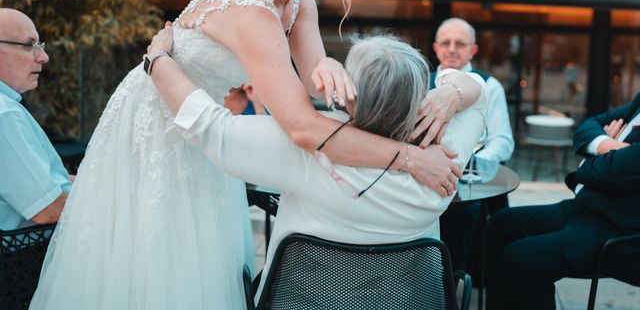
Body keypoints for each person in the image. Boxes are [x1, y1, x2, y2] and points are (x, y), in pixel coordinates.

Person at [31, 0, 461, 310]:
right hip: (159, 120)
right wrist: (408, 158)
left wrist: (347, 74)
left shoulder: (298, 1)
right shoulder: (253, 9)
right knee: (155, 261)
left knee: (202, 260)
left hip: (203, 122)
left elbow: (315, 85)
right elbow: (303, 127)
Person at [147, 29, 488, 302]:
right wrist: (449, 96)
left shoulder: (308, 149)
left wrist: (158, 59)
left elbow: (206, 124)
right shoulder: (446, 154)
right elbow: (479, 92)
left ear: (351, 94)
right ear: (419, 96)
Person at [485, 94, 640, 310]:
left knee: (522, 259)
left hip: (621, 231)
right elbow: (588, 125)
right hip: (591, 209)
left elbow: (607, 171)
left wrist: (594, 155)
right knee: (502, 223)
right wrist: (607, 145)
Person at [433, 17, 514, 272]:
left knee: (466, 212)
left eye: (460, 43)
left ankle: (454, 280)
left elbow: (502, 141)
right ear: (436, 48)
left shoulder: (490, 86)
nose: (452, 49)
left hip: (471, 180)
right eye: (445, 43)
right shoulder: (419, 80)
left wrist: (474, 163)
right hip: (427, 172)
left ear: (473, 50)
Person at [0, 9, 72, 231]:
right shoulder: (4, 114)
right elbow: (49, 210)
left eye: (40, 45)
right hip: (26, 258)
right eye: (29, 45)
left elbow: (47, 179)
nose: (43, 57)